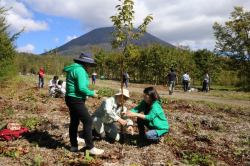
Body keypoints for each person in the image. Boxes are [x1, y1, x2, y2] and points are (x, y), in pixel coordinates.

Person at [63, 52, 104, 155]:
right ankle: (90, 147)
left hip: (71, 98)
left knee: (74, 122)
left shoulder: (74, 69)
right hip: (76, 100)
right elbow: (81, 88)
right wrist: (92, 93)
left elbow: (80, 87)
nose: (90, 67)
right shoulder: (80, 70)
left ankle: (73, 146)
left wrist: (90, 92)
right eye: (89, 65)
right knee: (88, 121)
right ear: (85, 63)